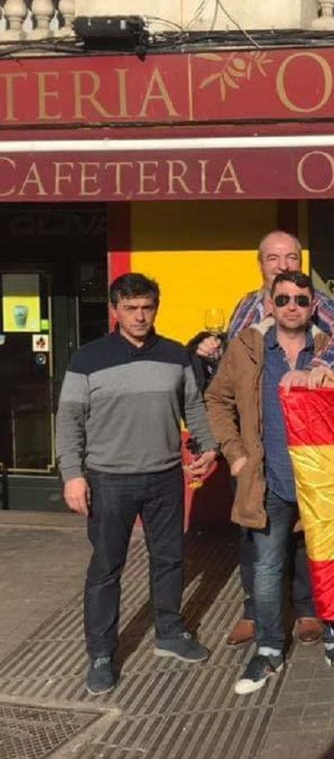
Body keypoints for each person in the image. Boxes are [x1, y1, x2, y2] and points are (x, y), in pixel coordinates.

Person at [206, 272, 334, 695]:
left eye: (301, 299)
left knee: (328, 565)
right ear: (270, 302)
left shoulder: (328, 349)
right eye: (283, 299)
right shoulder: (247, 347)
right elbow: (217, 399)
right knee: (267, 569)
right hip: (269, 480)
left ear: (314, 304)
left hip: (323, 482)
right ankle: (268, 650)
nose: (292, 306)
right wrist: (235, 453)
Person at [57, 273, 219, 695]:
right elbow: (69, 422)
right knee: (106, 570)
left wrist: (208, 447)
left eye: (147, 307)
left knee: (169, 560)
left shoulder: (174, 355)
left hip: (165, 476)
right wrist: (72, 475)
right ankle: (101, 653)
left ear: (156, 307)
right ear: (115, 311)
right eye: (131, 308)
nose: (140, 315)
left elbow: (194, 407)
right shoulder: (87, 359)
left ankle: (169, 633)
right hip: (108, 480)